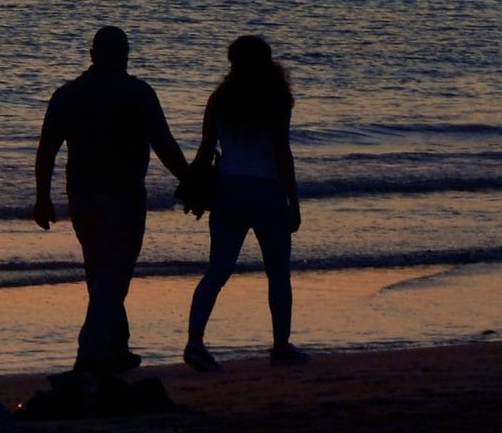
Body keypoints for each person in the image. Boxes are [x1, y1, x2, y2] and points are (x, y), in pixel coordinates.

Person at [33, 25, 190, 374]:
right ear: (125, 56)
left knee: (101, 274)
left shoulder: (67, 94)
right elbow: (164, 145)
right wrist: (192, 182)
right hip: (123, 198)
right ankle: (88, 354)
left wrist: (43, 198)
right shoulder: (138, 93)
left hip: (82, 200)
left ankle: (116, 348)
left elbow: (46, 151)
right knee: (111, 278)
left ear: (92, 56)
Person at [181, 35, 305, 369]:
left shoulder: (219, 98)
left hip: (229, 191)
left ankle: (195, 341)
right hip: (266, 191)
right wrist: (294, 201)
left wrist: (193, 187)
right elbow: (281, 152)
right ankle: (280, 345)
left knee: (217, 271)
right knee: (278, 273)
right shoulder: (277, 98)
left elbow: (206, 151)